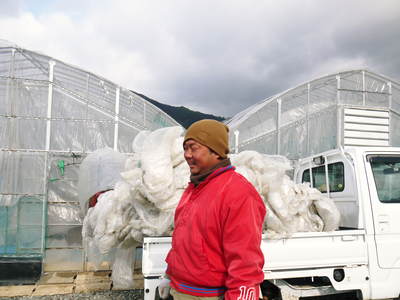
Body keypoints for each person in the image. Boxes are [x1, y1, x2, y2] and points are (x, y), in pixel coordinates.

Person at [161, 119, 266, 300]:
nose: (186, 155)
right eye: (185, 148)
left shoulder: (237, 192)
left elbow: (245, 263)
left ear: (216, 151)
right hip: (180, 290)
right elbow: (181, 239)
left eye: (193, 148)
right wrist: (169, 275)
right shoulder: (194, 188)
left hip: (209, 295)